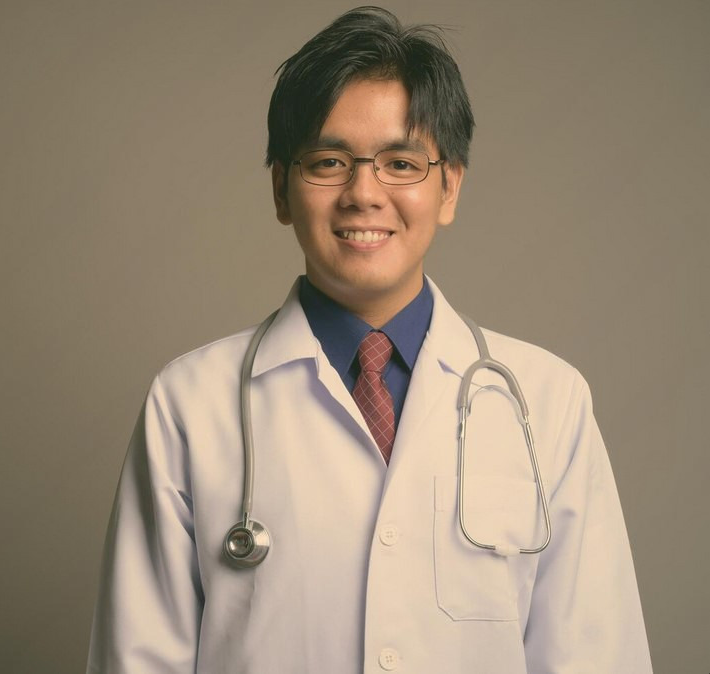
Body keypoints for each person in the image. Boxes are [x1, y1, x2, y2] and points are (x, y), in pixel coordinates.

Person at [87, 6, 651, 673]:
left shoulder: (546, 401)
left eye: (400, 162)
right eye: (327, 161)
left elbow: (596, 655)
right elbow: (137, 660)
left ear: (449, 188)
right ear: (279, 189)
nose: (363, 193)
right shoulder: (189, 404)